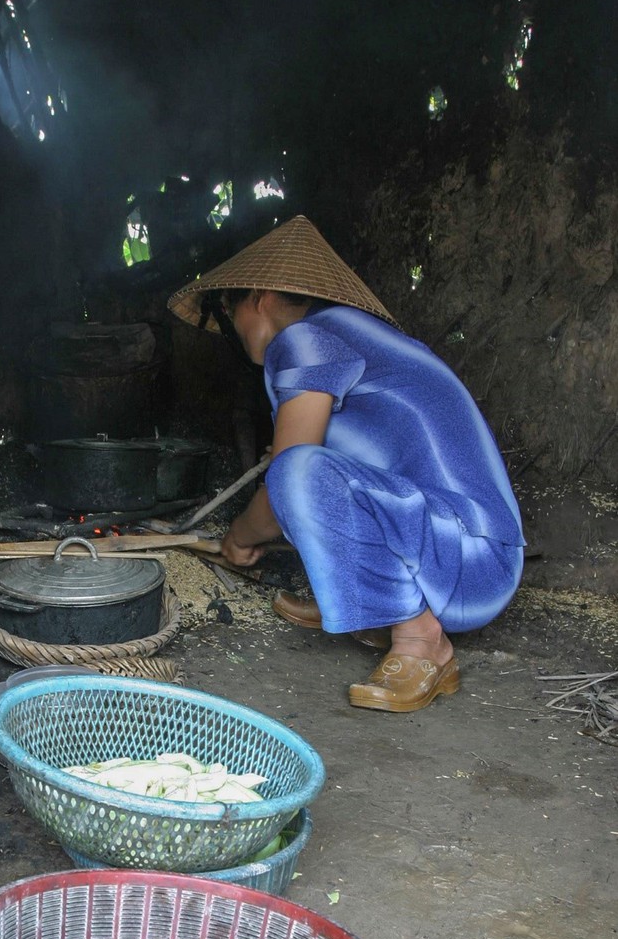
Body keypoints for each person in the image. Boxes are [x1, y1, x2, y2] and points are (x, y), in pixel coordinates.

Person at [167, 215, 525, 713]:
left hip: (472, 562)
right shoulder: (347, 338)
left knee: (296, 472)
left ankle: (423, 643)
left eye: (229, 311)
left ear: (260, 299)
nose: (233, 328)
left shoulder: (305, 339)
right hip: (461, 553)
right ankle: (368, 602)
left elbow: (291, 474)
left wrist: (242, 536)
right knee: (309, 469)